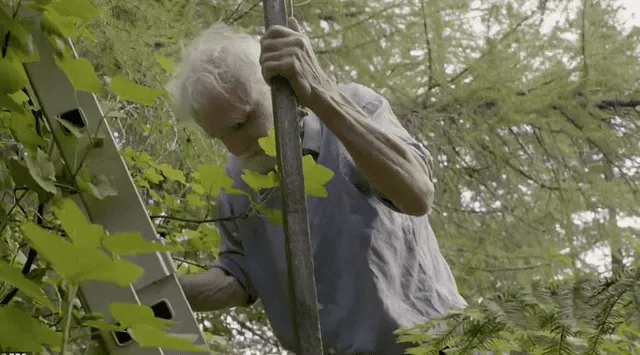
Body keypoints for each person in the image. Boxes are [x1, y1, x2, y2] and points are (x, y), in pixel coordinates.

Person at [167, 17, 467, 355]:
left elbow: (416, 194)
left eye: (242, 122)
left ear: (275, 88)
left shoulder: (353, 109)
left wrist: (321, 93)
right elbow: (239, 278)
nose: (236, 147)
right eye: (220, 137)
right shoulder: (236, 189)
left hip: (438, 346)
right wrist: (157, 290)